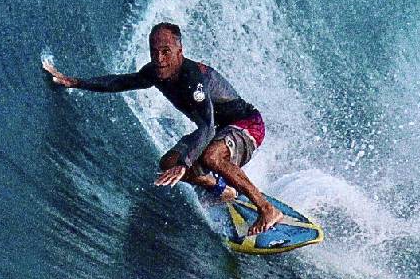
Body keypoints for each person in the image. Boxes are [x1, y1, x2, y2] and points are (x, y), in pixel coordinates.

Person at [42, 22, 281, 235]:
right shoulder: (156, 73)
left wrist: (186, 163)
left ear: (180, 52)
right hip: (219, 131)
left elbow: (207, 128)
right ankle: (222, 189)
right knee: (167, 163)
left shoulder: (193, 79)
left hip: (246, 125)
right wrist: (76, 82)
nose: (160, 59)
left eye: (166, 52)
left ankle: (267, 209)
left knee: (209, 156)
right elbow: (121, 82)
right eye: (154, 52)